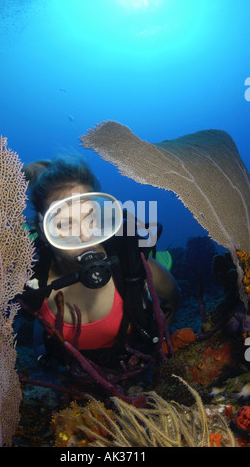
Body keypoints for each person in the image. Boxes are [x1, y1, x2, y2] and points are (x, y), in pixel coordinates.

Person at [21, 155, 180, 367]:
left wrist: (155, 347)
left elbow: (172, 298)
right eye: (66, 224)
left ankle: (163, 258)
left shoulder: (131, 265)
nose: (86, 235)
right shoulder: (31, 281)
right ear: (42, 231)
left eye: (91, 218)